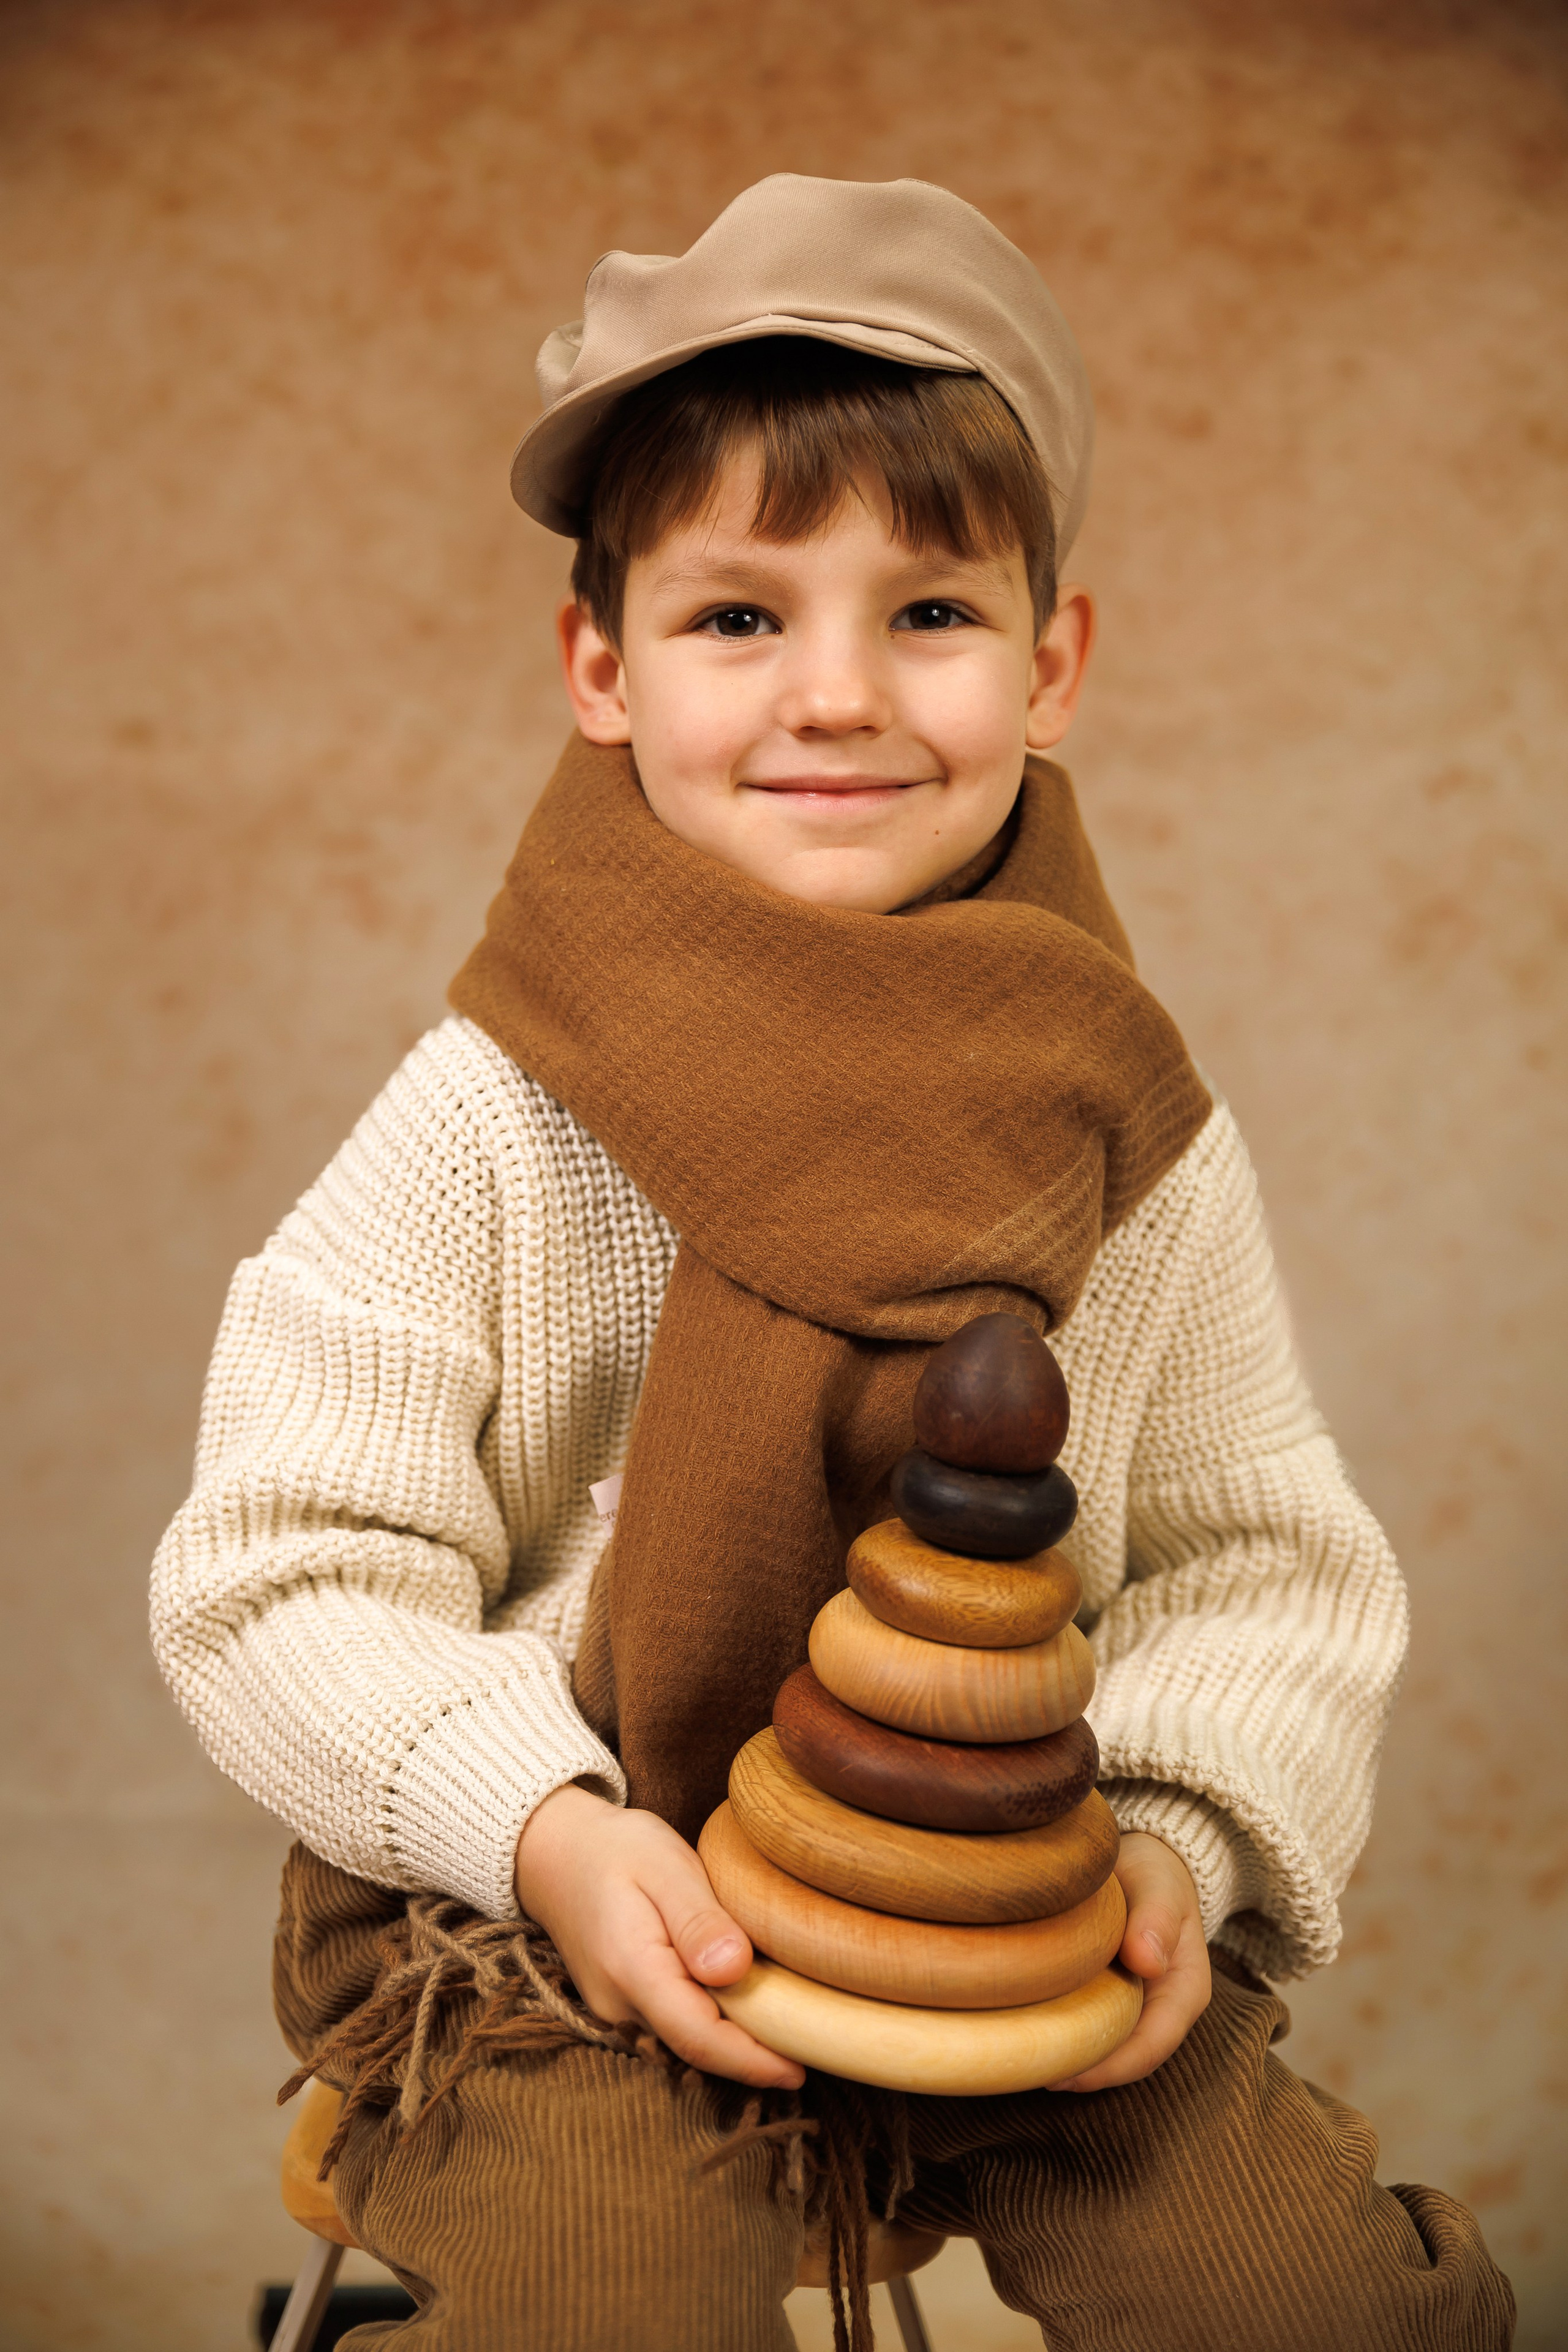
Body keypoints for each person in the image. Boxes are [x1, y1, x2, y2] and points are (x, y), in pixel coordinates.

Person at [151, 176, 1513, 2351]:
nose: (841, 697)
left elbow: (1269, 1565)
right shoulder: (501, 1109)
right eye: (740, 619)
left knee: (1296, 2300)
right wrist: (543, 1834)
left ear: (1053, 662)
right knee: (633, 2304)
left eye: (932, 616)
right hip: (551, 1922)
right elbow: (283, 1566)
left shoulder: (1127, 1134)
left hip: (996, 1912)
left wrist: (1174, 1836)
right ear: (603, 668)